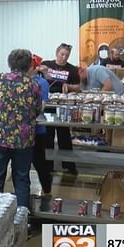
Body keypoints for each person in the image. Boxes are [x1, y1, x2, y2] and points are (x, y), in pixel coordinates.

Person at [0, 49, 43, 210]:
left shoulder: (0, 80)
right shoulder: (34, 84)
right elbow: (37, 110)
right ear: (29, 64)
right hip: (24, 139)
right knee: (22, 179)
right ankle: (22, 219)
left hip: (0, 137)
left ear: (10, 64)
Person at [42, 43, 80, 175]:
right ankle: (47, 165)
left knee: (64, 136)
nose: (64, 57)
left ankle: (69, 165)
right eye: (62, 54)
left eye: (66, 55)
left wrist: (69, 86)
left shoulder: (72, 69)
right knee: (48, 135)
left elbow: (78, 87)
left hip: (64, 105)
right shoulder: (47, 64)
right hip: (48, 105)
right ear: (56, 53)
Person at [30, 54, 53, 199]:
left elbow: (42, 106)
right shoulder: (18, 81)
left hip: (37, 131)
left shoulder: (41, 83)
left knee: (40, 163)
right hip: (21, 131)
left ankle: (47, 191)